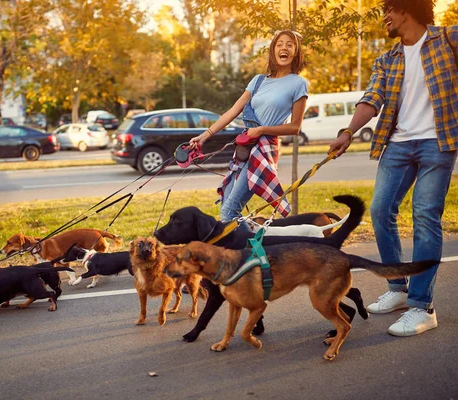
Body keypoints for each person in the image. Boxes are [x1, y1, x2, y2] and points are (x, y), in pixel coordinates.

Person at [328, 0, 458, 336]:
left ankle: (422, 307)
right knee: (381, 209)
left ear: (408, 9)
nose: (384, 17)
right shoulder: (388, 58)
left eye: (389, 9)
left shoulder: (449, 40)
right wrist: (347, 132)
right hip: (398, 144)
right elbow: (372, 98)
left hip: (438, 142)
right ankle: (398, 288)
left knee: (424, 215)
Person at [189, 30, 308, 230]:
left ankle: (252, 255)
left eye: (289, 45)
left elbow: (295, 127)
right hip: (245, 148)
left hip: (264, 151)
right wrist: (203, 137)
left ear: (295, 52)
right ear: (273, 50)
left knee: (229, 211)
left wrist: (261, 130)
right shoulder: (258, 80)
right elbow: (233, 111)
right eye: (279, 44)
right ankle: (251, 252)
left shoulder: (298, 83)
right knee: (228, 203)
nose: (284, 48)